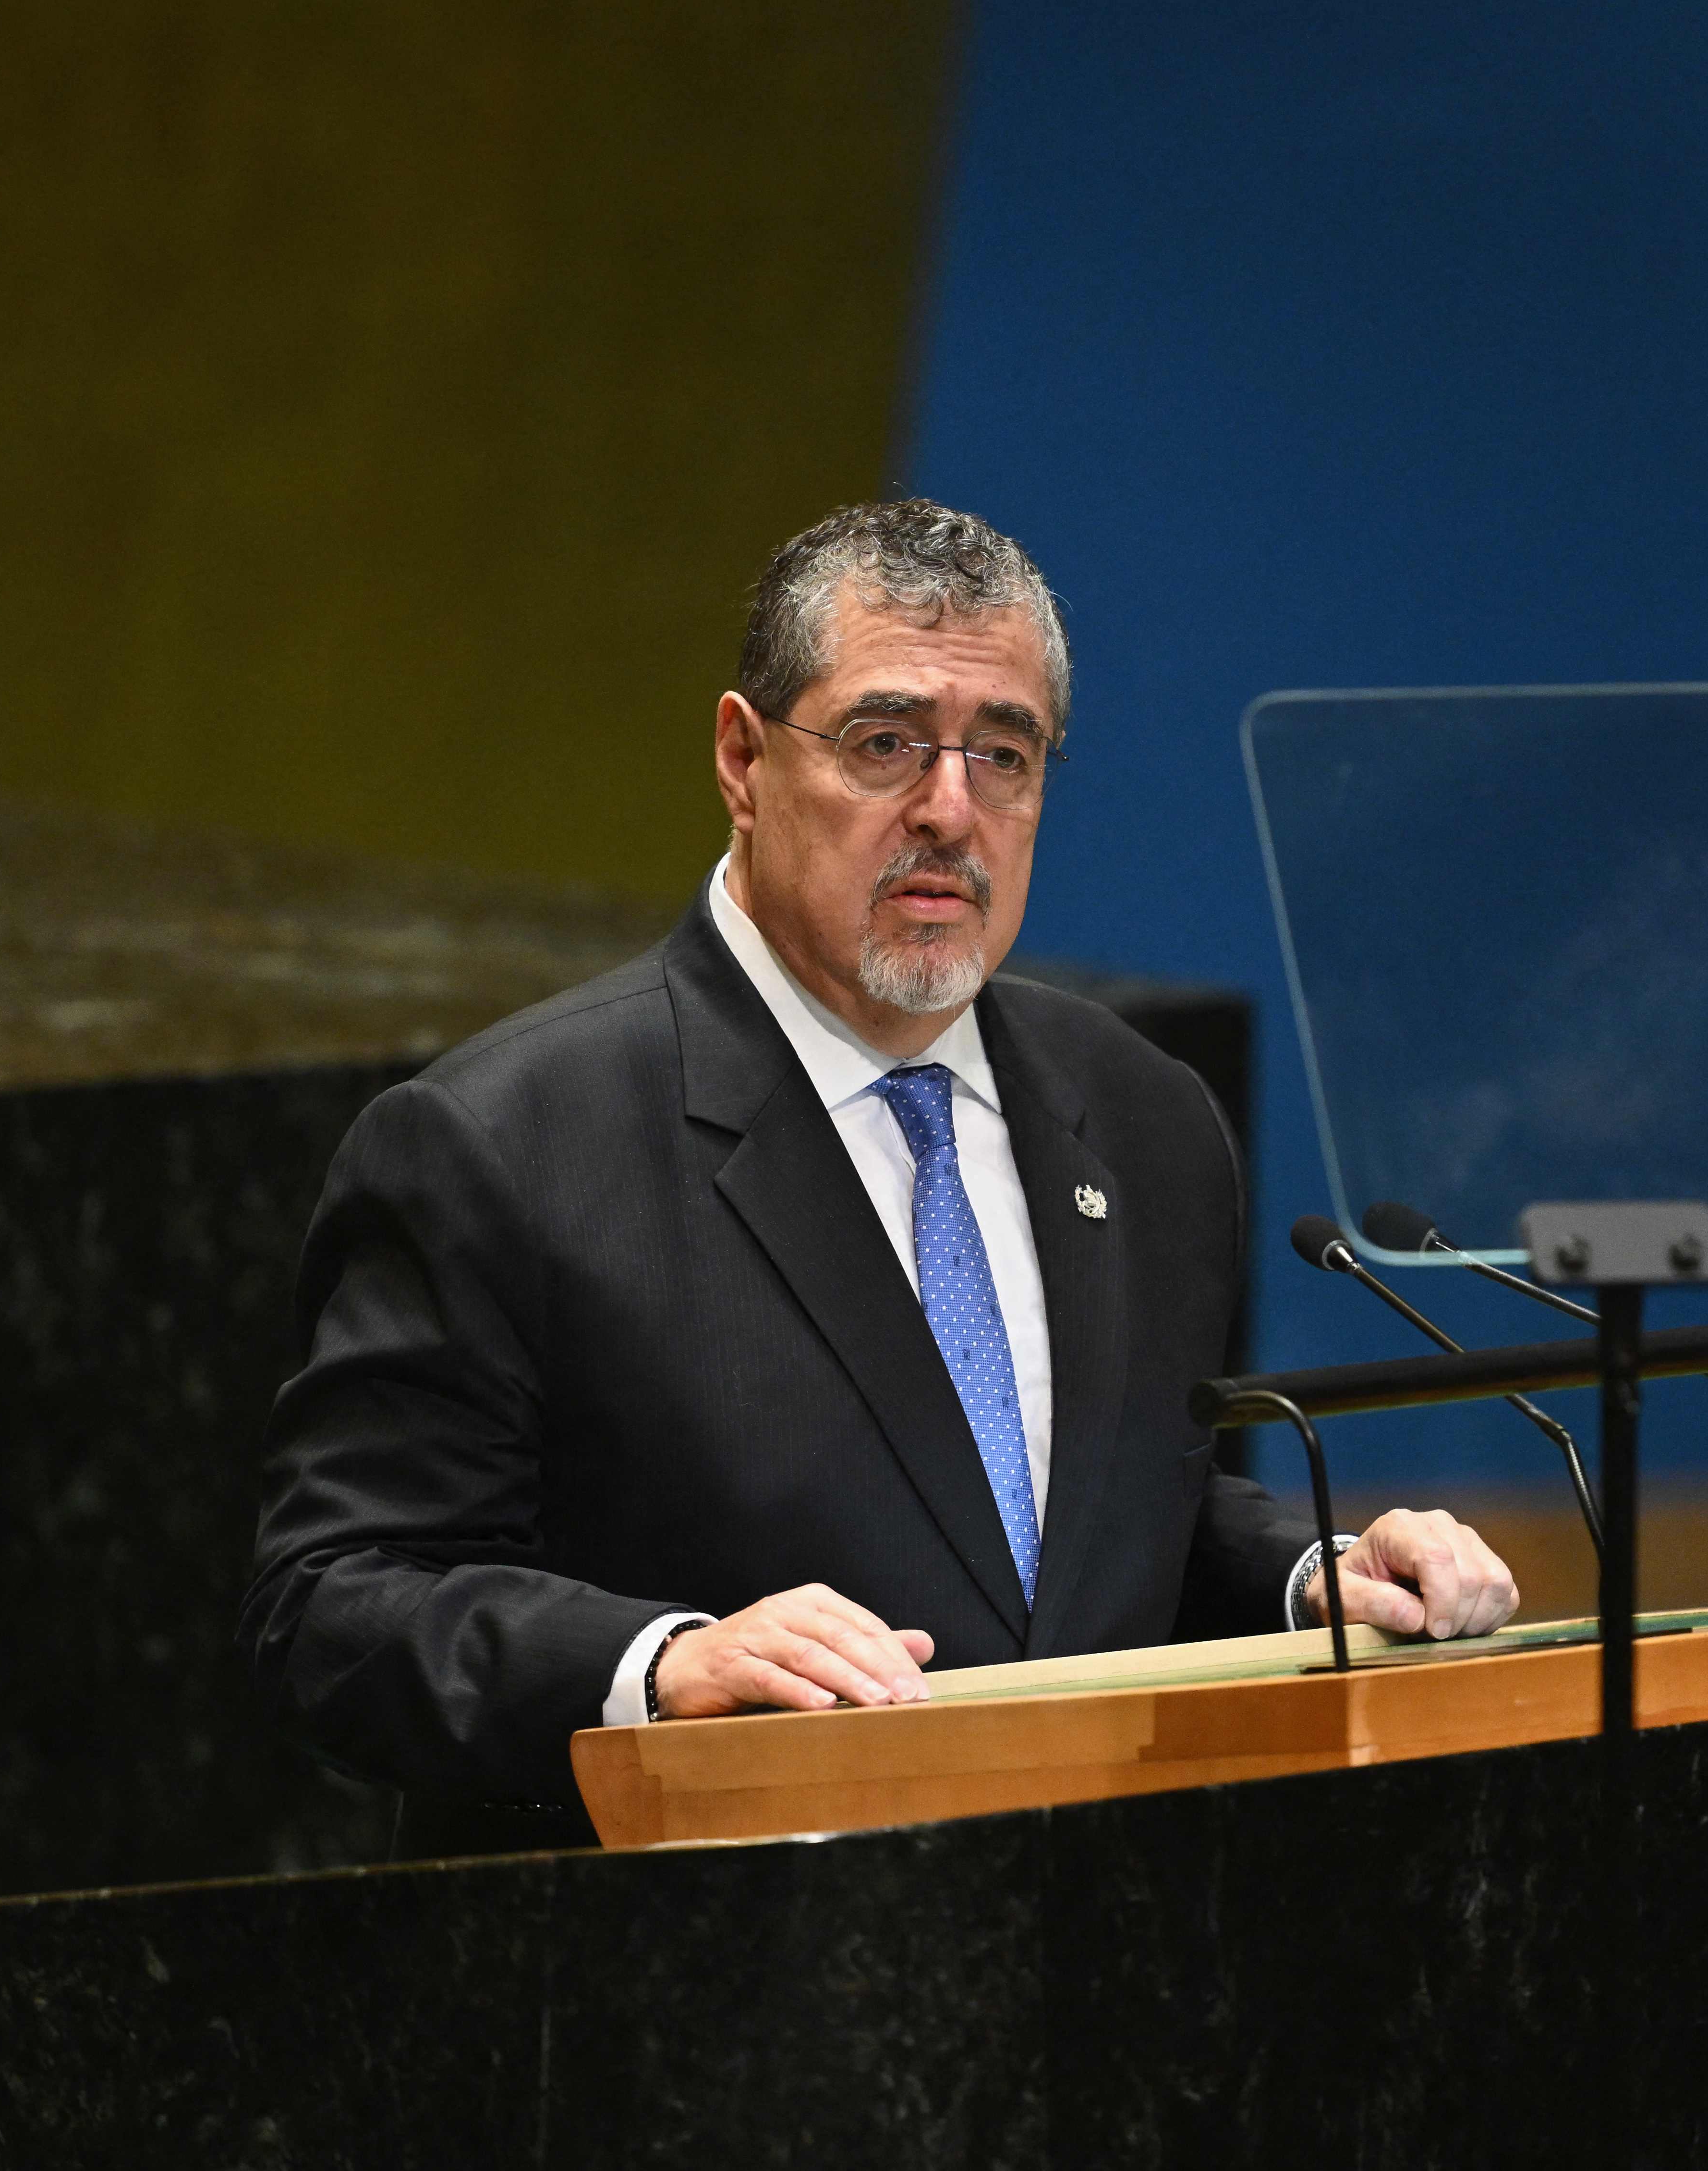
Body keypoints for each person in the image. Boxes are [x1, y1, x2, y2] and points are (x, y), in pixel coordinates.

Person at [246, 500, 1515, 1834]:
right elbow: (328, 1604)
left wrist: (1314, 1578)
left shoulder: (1146, 1119)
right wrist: (660, 1663)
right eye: (885, 743)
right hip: (702, 1977)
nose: (949, 810)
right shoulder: (502, 1141)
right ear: (741, 759)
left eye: (1004, 754)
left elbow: (1111, 1514)